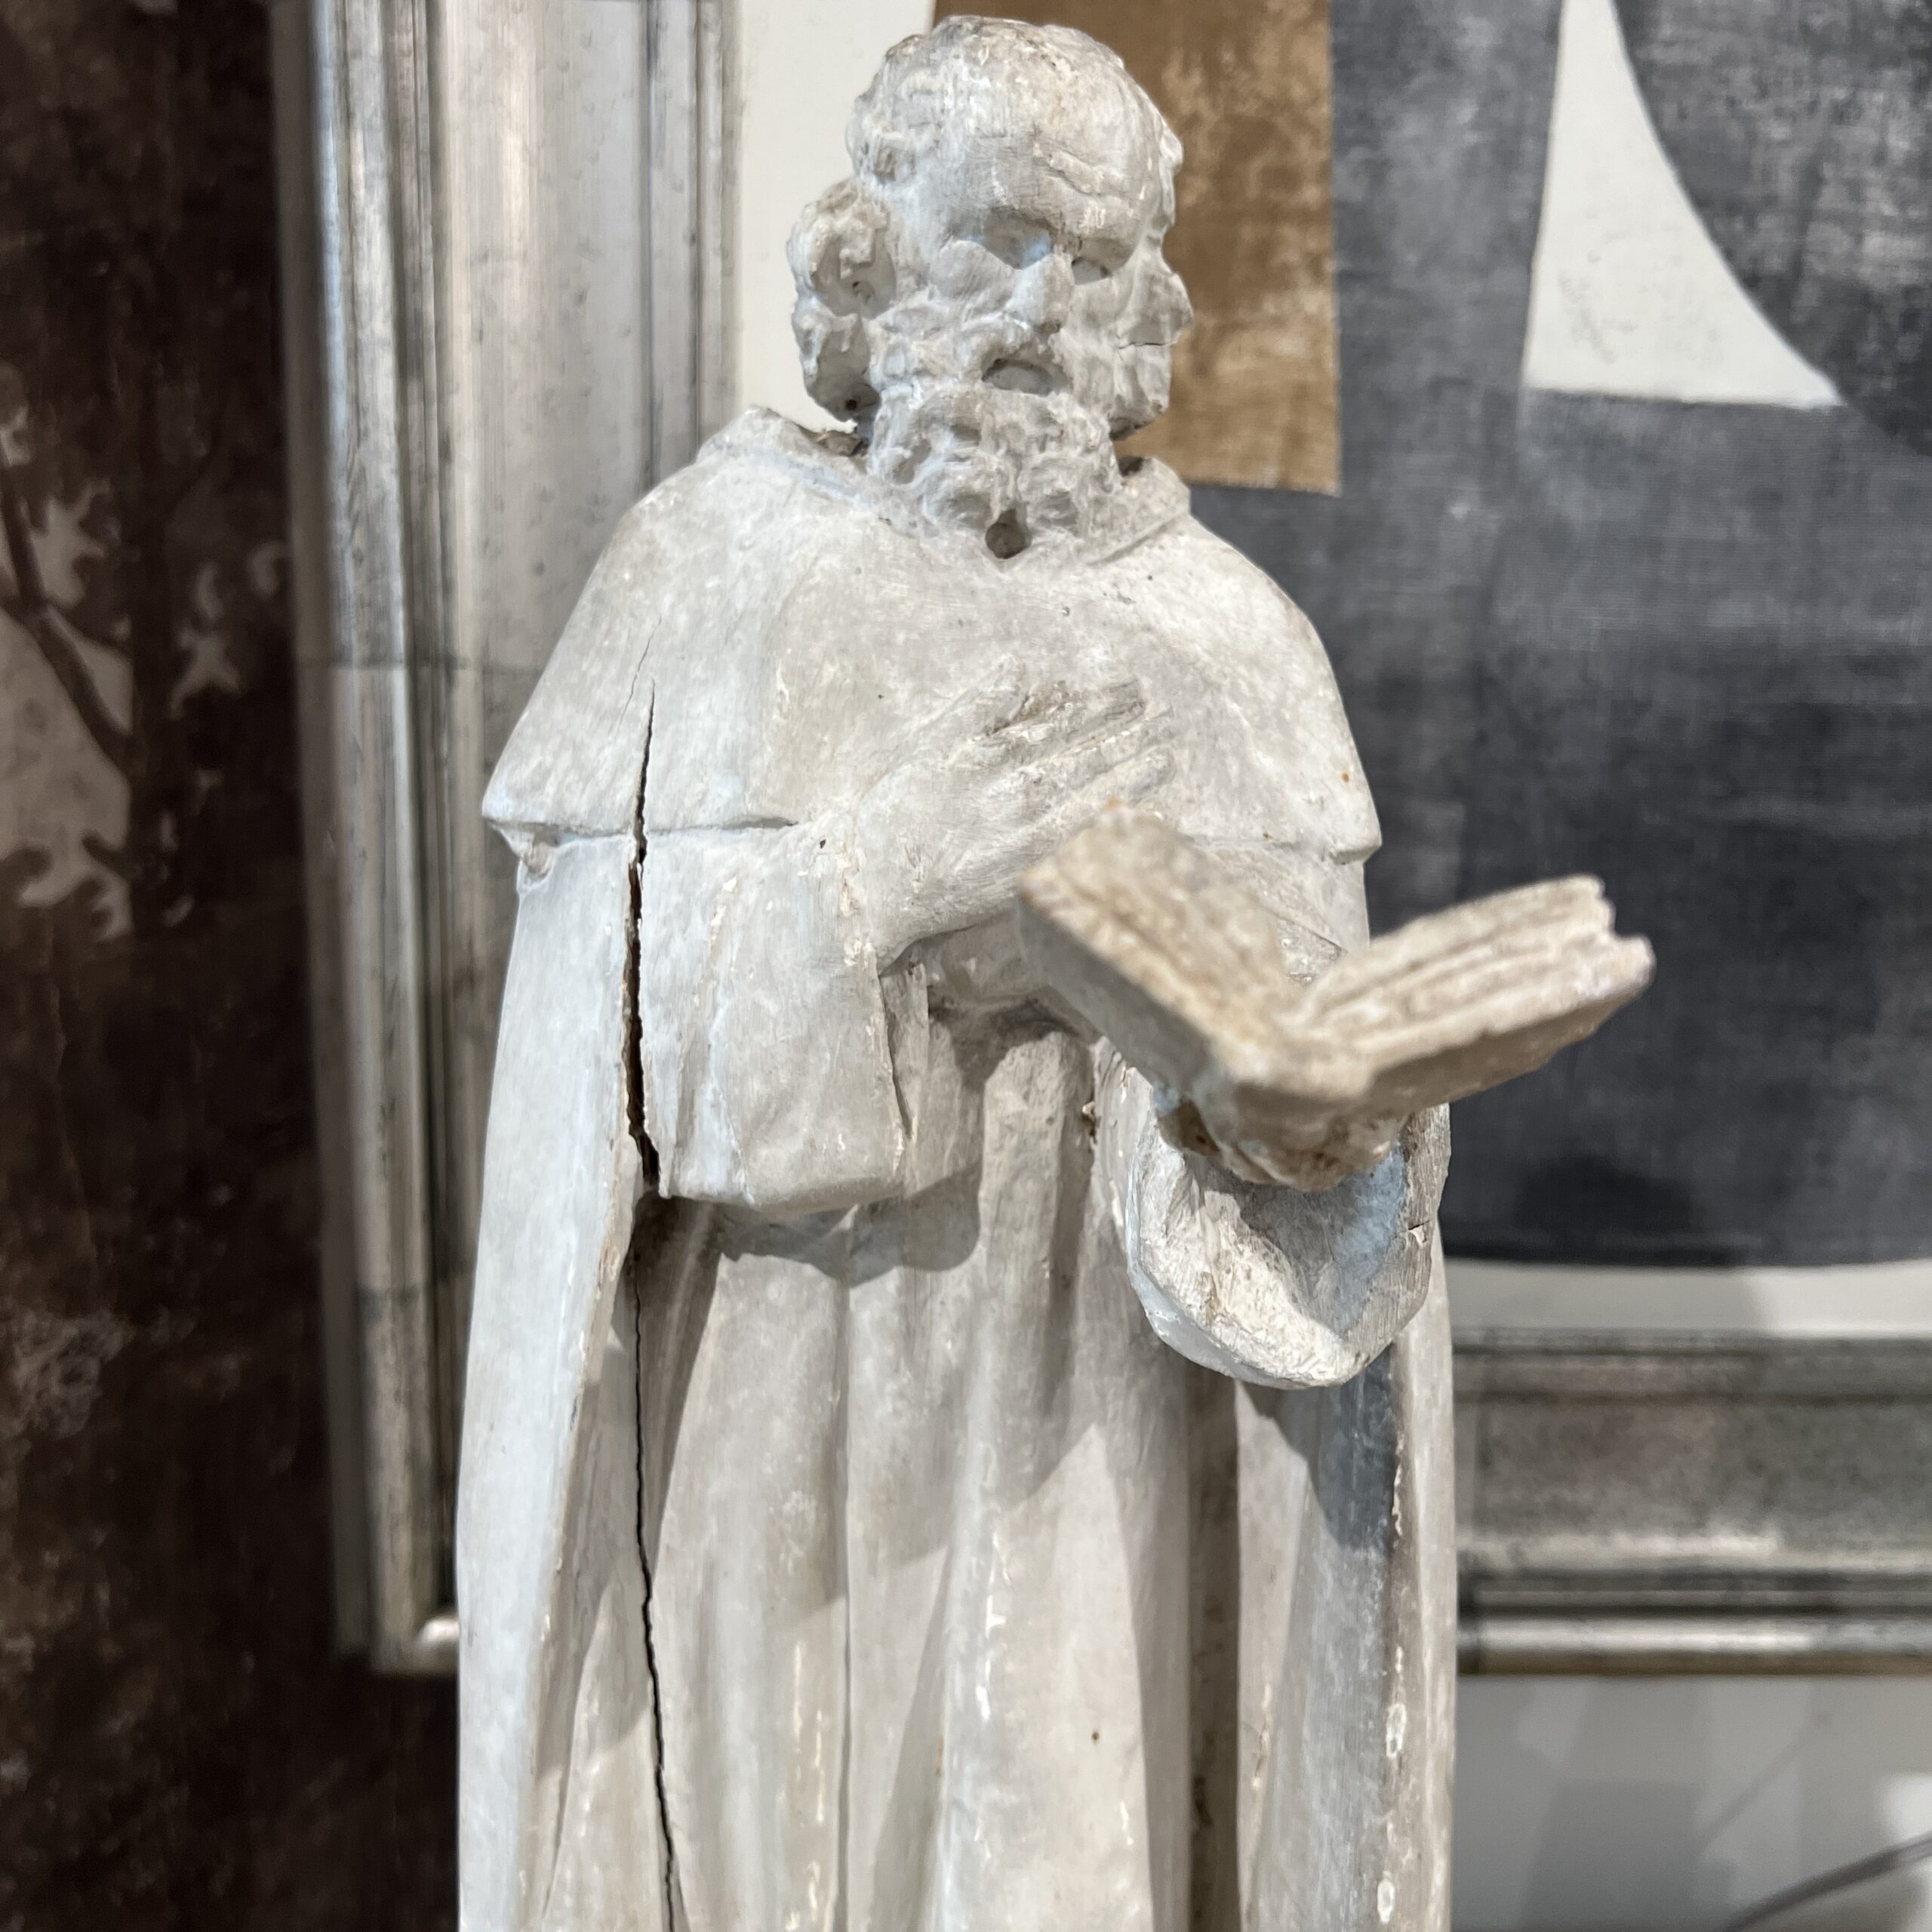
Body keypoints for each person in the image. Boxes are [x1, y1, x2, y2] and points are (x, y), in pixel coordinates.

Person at [458, 19, 1454, 1930]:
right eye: (996, 237)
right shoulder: (699, 579)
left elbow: (1307, 1154)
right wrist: (876, 893)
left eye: (1092, 261)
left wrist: (1294, 1126)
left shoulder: (1231, 642)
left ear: (1146, 302)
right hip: (773, 1408)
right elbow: (585, 1083)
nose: (1035, 311)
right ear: (868, 250)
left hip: (1099, 1432)